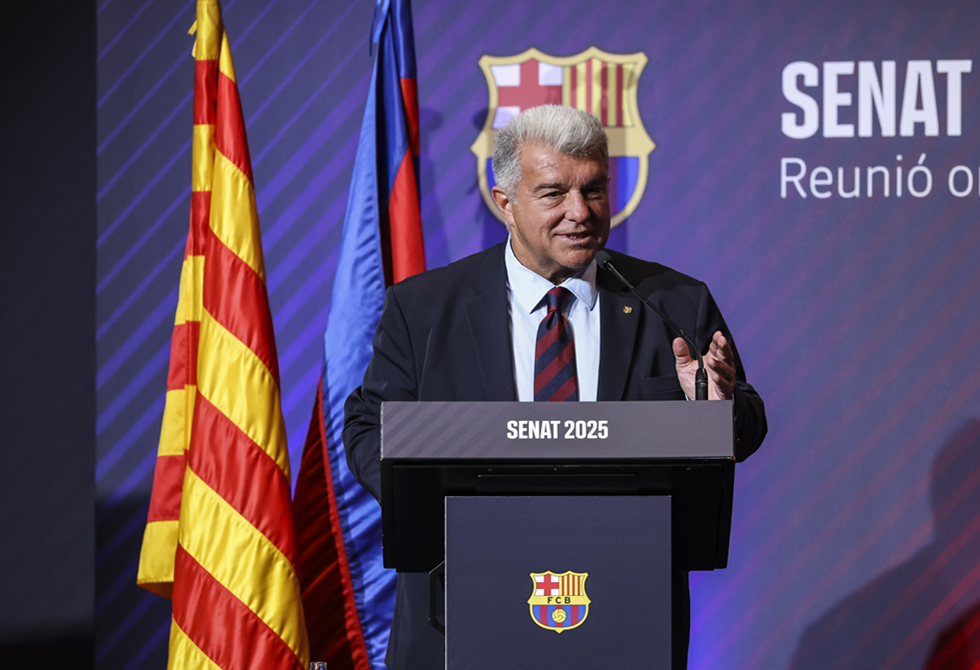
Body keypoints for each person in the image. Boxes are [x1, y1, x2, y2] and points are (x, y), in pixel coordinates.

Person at [343, 104, 767, 669]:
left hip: (624, 614)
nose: (580, 212)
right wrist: (432, 504)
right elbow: (368, 427)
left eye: (594, 190)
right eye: (553, 194)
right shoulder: (422, 309)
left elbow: (745, 423)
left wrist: (715, 411)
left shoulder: (673, 302)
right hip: (457, 611)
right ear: (505, 203)